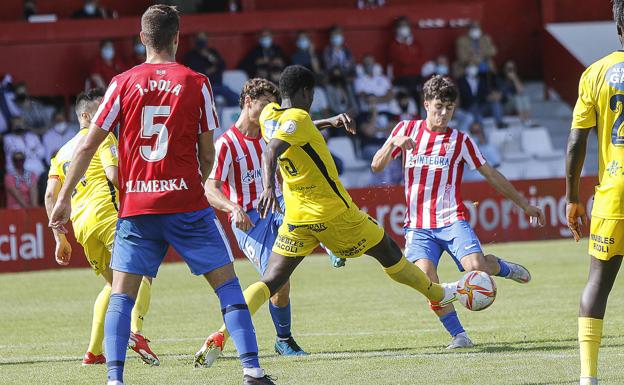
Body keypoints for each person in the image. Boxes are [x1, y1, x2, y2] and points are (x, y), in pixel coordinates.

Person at [49, 5, 274, 385]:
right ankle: (252, 370)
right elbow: (208, 153)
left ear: (142, 39)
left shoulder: (121, 83)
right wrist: (194, 182)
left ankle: (115, 380)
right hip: (186, 205)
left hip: (137, 208)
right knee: (227, 285)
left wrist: (62, 197)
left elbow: (88, 145)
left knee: (121, 295)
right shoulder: (196, 82)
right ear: (177, 38)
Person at [196, 65, 460, 366]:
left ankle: (220, 334)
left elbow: (294, 125)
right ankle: (440, 292)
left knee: (272, 280)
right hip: (334, 213)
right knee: (388, 251)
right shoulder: (295, 119)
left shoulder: (270, 117)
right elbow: (275, 148)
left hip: (296, 218)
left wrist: (329, 121)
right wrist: (268, 187)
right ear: (308, 93)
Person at [371, 75, 545, 349]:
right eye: (438, 106)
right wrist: (394, 143)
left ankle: (500, 267)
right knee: (426, 280)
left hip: (452, 220)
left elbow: (491, 175)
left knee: (477, 271)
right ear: (426, 104)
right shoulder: (406, 130)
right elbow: (376, 166)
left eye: (449, 108)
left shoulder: (460, 141)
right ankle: (459, 335)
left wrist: (524, 204)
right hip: (418, 226)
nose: (443, 113)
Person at [195, 78, 349, 366]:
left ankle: (331, 246)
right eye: (265, 104)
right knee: (278, 282)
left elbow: (300, 129)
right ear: (248, 101)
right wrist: (233, 208)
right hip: (250, 222)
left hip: (280, 208)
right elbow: (209, 188)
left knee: (313, 213)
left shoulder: (270, 132)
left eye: (273, 105)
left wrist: (329, 121)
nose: (270, 110)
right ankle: (282, 340)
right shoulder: (227, 144)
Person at [44, 89, 157, 366]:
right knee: (141, 275)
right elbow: (113, 175)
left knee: (114, 285)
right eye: (99, 109)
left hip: (82, 227)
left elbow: (50, 196)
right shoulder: (103, 136)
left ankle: (94, 351)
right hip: (108, 217)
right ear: (85, 115)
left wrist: (60, 238)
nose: (106, 114)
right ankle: (135, 332)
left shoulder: (61, 153)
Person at [566, 3, 624, 384]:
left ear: (618, 26)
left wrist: (572, 197)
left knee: (597, 285)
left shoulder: (596, 72)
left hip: (614, 193)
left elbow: (575, 142)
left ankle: (588, 378)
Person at [184, 32, 238, 106]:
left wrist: (209, 57)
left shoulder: (212, 52)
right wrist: (210, 69)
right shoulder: (191, 55)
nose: (201, 41)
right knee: (210, 103)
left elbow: (222, 66)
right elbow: (194, 72)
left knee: (236, 99)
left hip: (218, 85)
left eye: (203, 39)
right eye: (199, 39)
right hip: (201, 87)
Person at [457, 63, 505, 128]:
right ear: (466, 69)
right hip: (469, 107)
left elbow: (486, 93)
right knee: (476, 110)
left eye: (475, 66)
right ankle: (480, 130)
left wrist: (490, 97)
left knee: (495, 103)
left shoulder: (482, 80)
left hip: (482, 105)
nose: (473, 69)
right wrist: (480, 98)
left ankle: (500, 123)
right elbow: (465, 96)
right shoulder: (461, 81)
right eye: (471, 66)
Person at [388, 16, 422, 97]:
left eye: (405, 26)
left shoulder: (416, 44)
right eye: (401, 26)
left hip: (415, 79)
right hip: (400, 79)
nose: (403, 28)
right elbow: (402, 61)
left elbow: (420, 59)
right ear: (396, 29)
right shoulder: (393, 45)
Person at [498, 60, 533, 125]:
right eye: (509, 69)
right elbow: (502, 96)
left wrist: (514, 79)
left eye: (513, 69)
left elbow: (521, 91)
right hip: (505, 106)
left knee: (524, 96)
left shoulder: (516, 79)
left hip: (516, 107)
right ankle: (523, 119)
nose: (511, 71)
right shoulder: (501, 80)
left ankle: (527, 118)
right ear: (504, 70)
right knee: (517, 98)